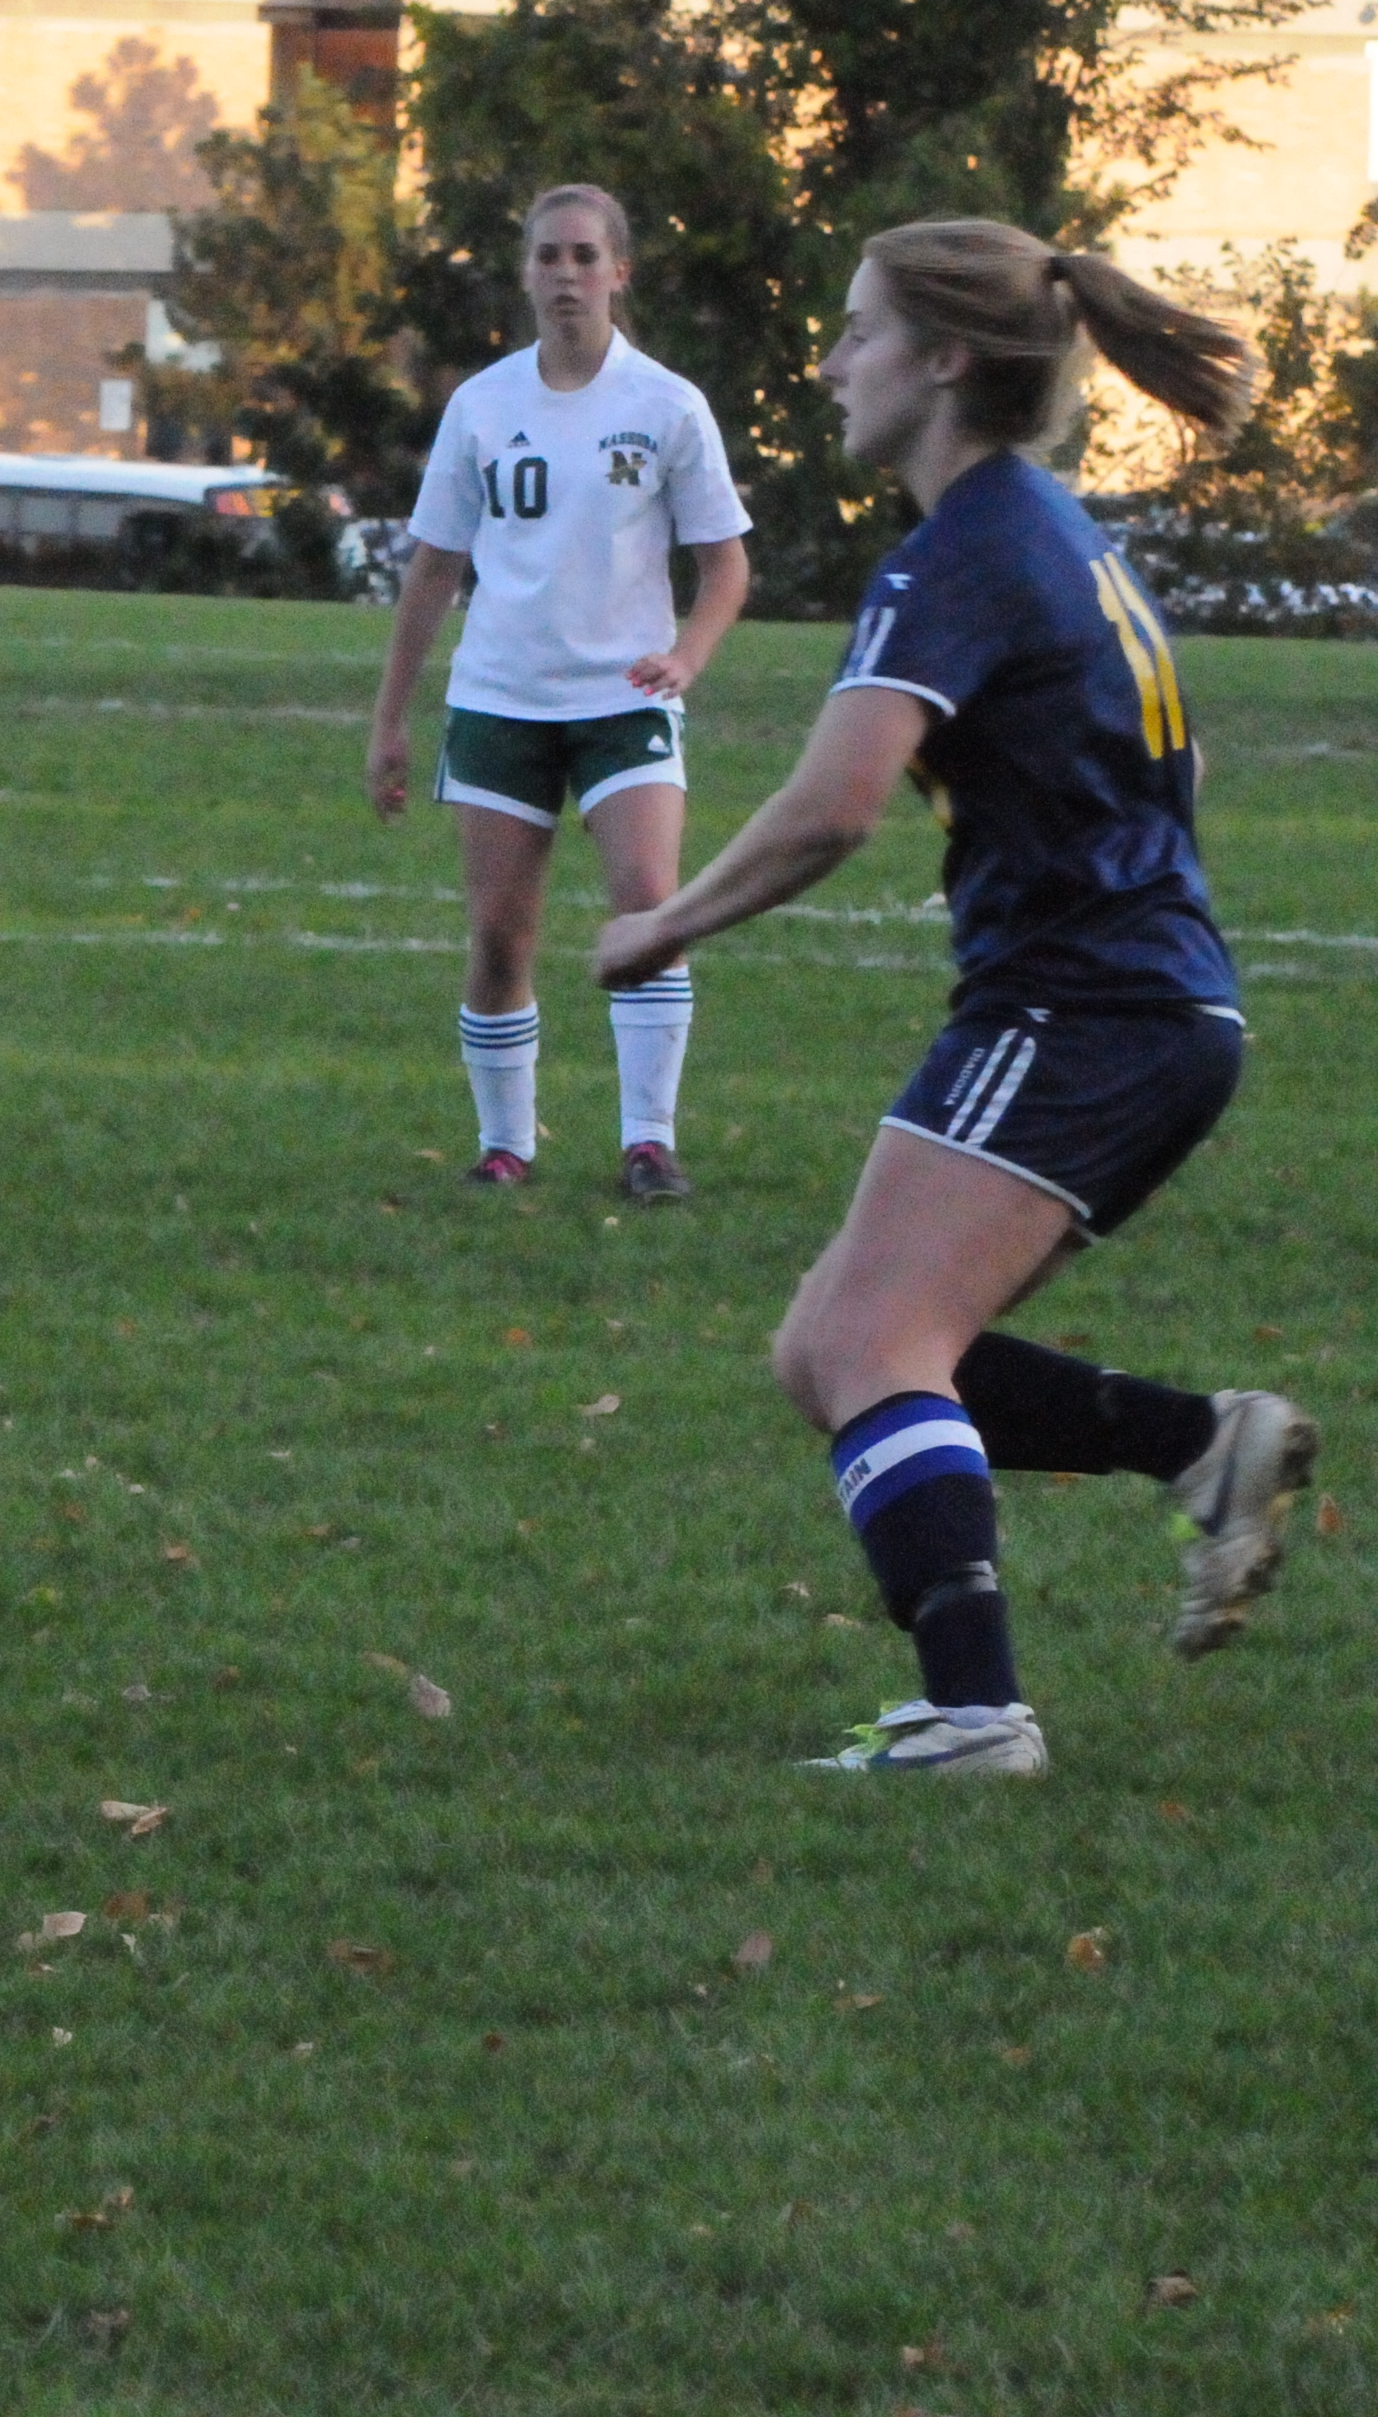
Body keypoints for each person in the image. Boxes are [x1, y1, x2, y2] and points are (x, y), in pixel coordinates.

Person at [595, 219, 1314, 1779]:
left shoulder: (962, 552)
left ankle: (976, 1714)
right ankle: (1201, 1444)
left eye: (857, 331)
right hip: (1139, 1005)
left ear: (942, 358)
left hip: (1084, 1011)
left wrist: (667, 925)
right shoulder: (1050, 529)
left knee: (872, 1341)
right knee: (834, 1348)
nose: (830, 363)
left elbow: (832, 807)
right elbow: (1147, 769)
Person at [371, 186, 754, 1201]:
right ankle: (505, 1146)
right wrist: (390, 720)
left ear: (619, 271)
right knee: (501, 934)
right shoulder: (482, 404)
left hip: (625, 699)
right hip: (501, 699)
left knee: (648, 902)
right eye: (548, 256)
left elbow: (725, 564)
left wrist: (688, 655)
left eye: (585, 255)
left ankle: (648, 1143)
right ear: (526, 273)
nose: (566, 274)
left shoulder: (666, 405)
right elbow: (433, 567)